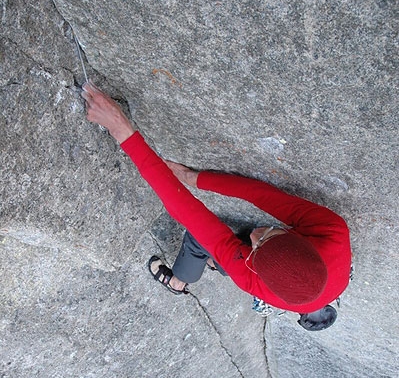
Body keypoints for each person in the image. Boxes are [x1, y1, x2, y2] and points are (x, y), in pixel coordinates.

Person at [82, 82, 351, 330]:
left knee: (199, 239)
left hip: (250, 272)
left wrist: (121, 129)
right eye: (269, 235)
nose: (255, 236)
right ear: (302, 241)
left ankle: (179, 280)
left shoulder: (255, 282)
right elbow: (259, 194)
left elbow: (187, 212)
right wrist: (193, 178)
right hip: (261, 267)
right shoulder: (333, 232)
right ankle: (209, 265)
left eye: (255, 248)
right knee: (214, 250)